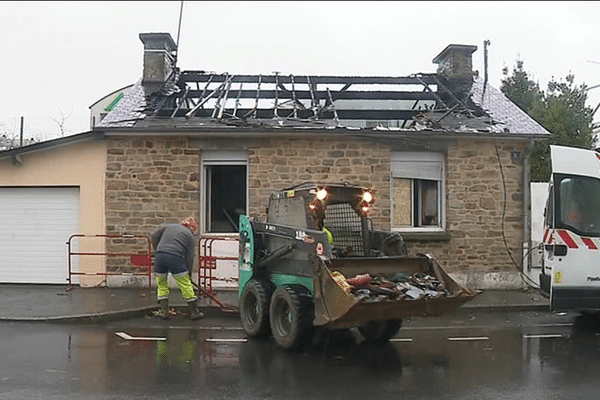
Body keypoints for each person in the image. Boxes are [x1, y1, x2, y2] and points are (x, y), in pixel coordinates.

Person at [151, 216, 204, 320]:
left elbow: (154, 235)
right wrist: (188, 273)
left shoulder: (169, 226)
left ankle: (163, 311)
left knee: (161, 283)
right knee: (185, 285)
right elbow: (189, 257)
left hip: (160, 256)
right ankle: (194, 312)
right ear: (193, 228)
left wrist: (158, 248)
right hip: (175, 257)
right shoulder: (189, 236)